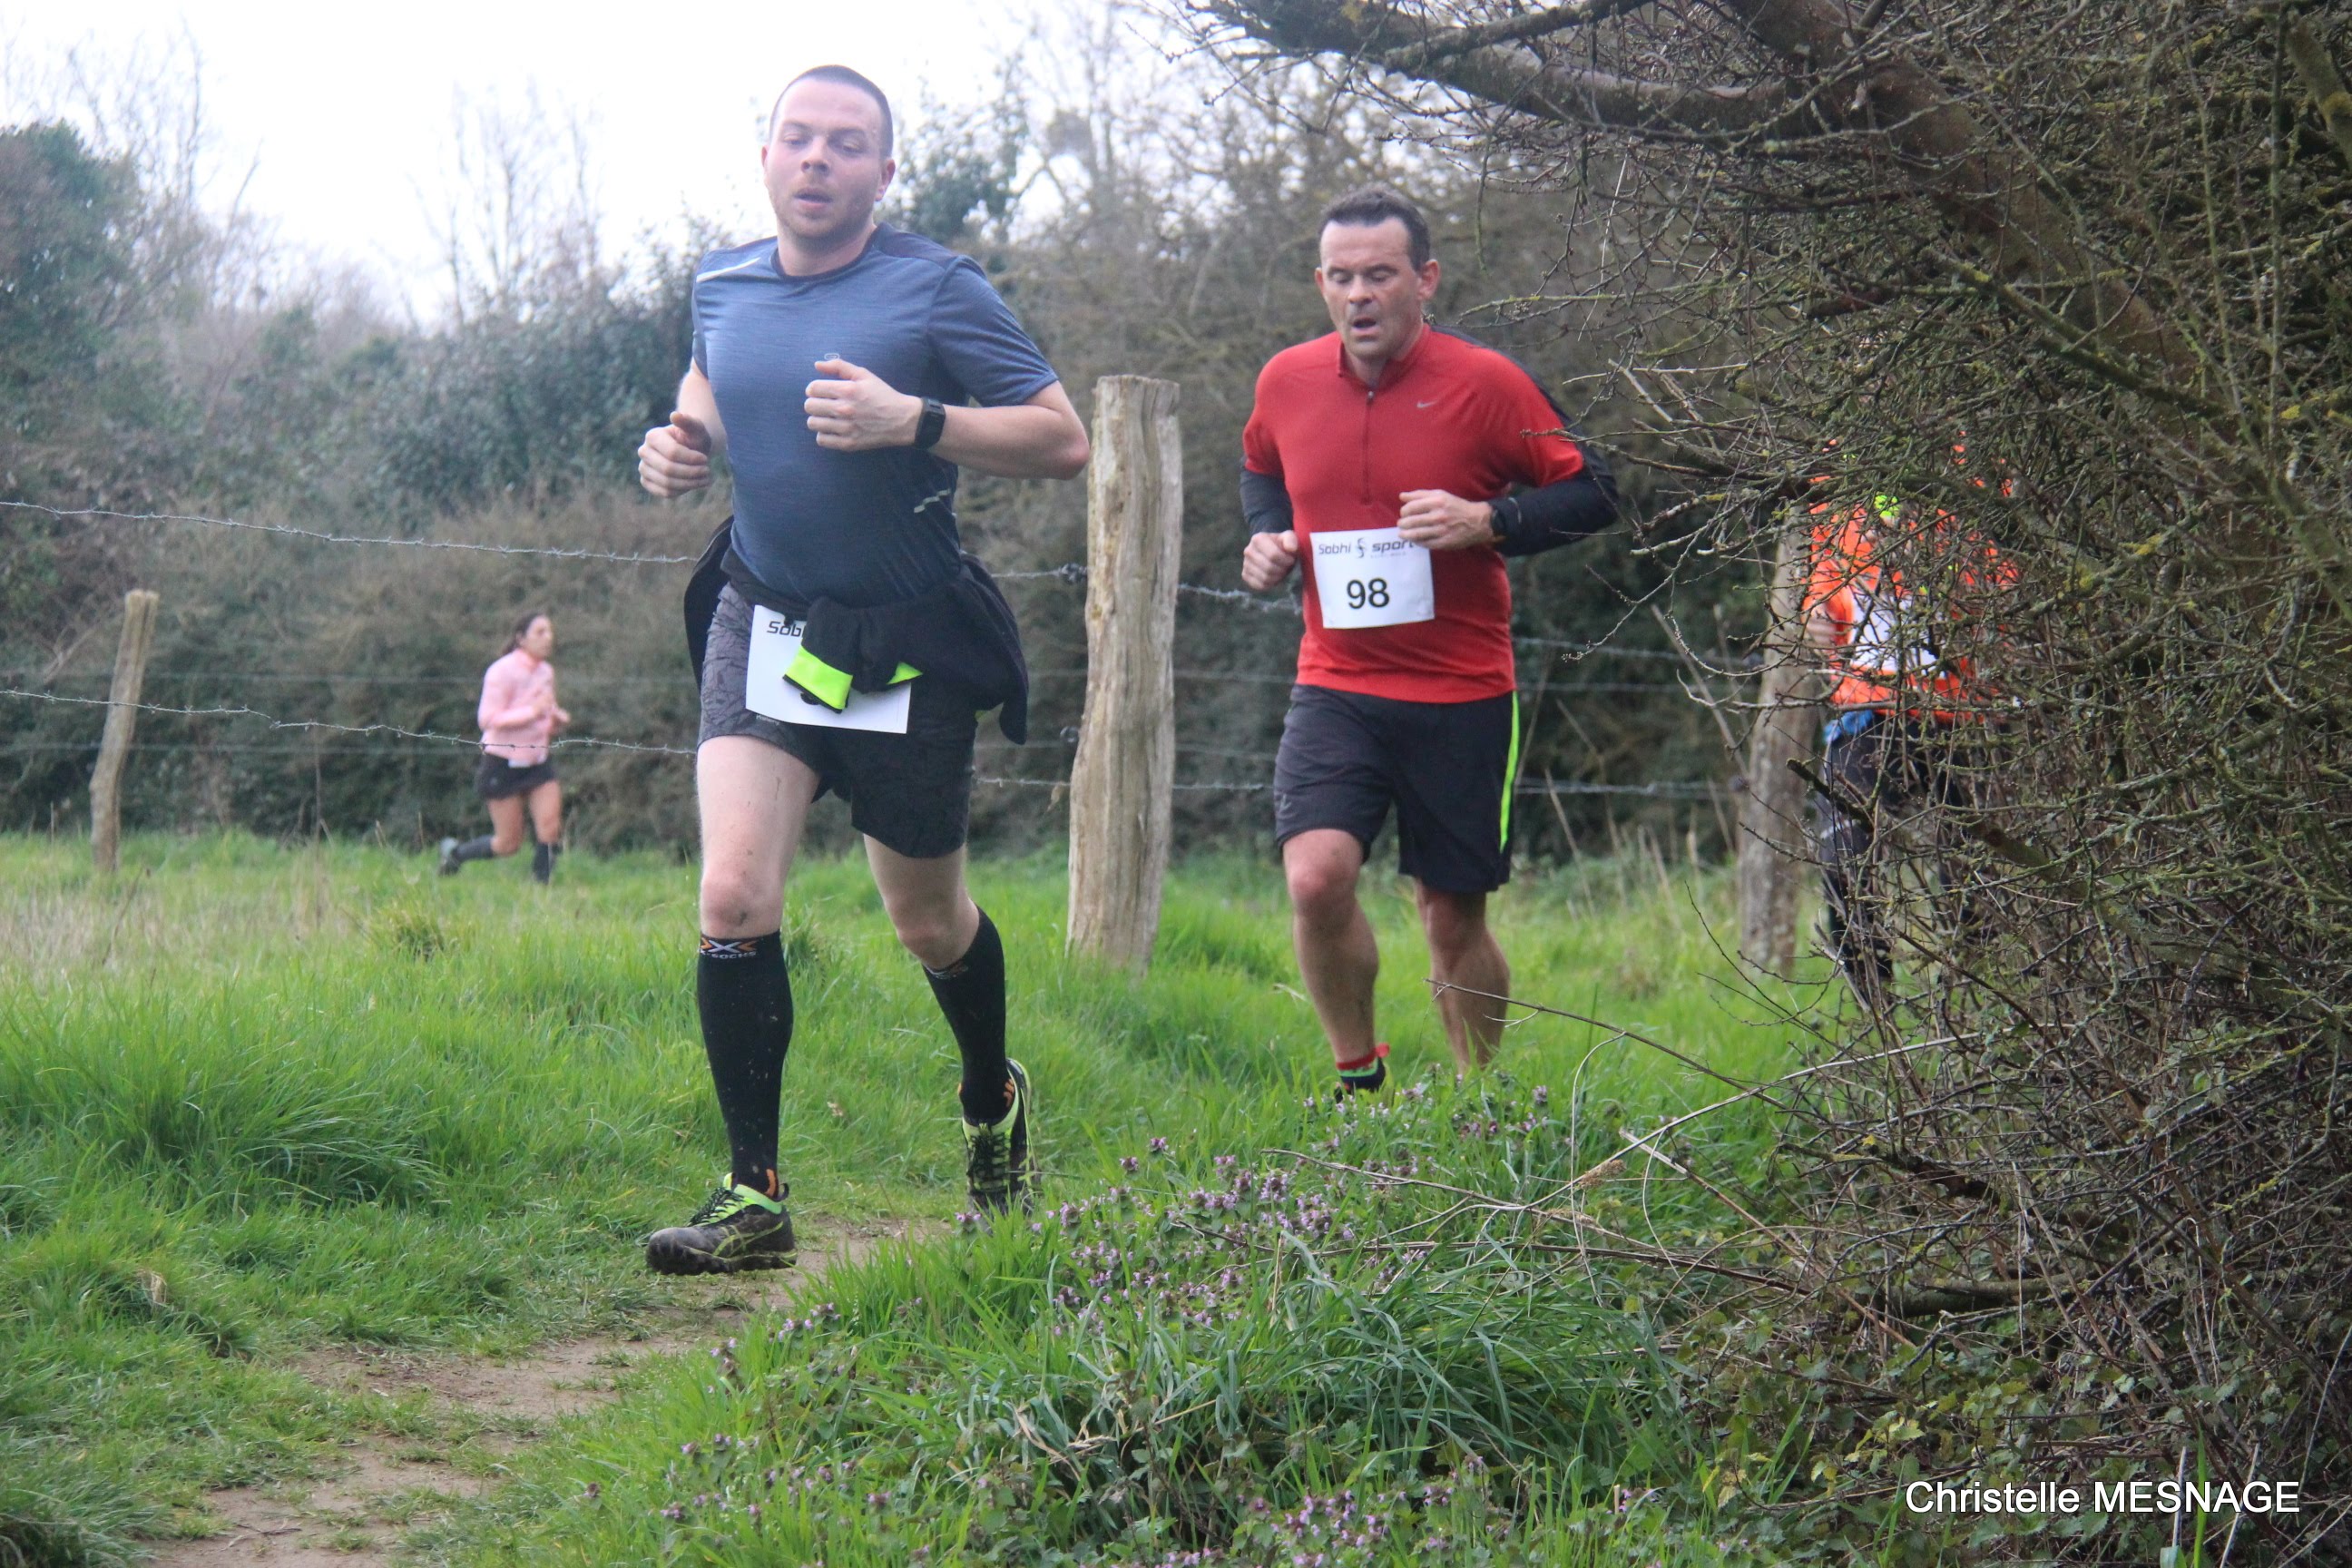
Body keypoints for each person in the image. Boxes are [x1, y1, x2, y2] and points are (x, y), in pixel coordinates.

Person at [632, 64, 1089, 1275]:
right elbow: (711, 372)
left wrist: (916, 420)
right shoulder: (722, 282)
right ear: (766, 157)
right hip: (766, 617)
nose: (817, 159)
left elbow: (1062, 438)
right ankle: (755, 1194)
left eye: (846, 144)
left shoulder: (935, 287)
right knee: (733, 896)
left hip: (903, 642)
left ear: (885, 173)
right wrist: (684, 438)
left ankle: (991, 1100)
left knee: (927, 921)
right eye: (798, 137)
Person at [1238, 186, 1619, 1093]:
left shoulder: (1486, 384)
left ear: (1426, 279)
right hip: (1337, 683)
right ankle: (1358, 1080)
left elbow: (1596, 491)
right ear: (1320, 285)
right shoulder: (1286, 380)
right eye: (1341, 277)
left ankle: (1476, 1101)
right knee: (1315, 879)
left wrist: (1490, 519)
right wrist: (1267, 537)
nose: (1359, 295)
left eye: (1380, 274)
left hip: (1462, 691)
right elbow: (1260, 467)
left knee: (1451, 917)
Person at [1803, 482, 2009, 1006]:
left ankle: (1979, 1008)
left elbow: (2009, 585)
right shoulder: (1840, 476)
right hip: (1867, 711)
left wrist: (1928, 557)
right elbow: (1825, 581)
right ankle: (1875, 1015)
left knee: (1973, 868)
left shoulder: (1974, 466)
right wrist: (1819, 616)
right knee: (1843, 856)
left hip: (1963, 713)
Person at [441, 611, 569, 884]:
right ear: (521, 639)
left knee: (550, 827)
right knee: (509, 844)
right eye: (540, 632)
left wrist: (555, 721)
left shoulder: (546, 672)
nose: (549, 638)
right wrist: (532, 712)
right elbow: (487, 719)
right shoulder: (501, 671)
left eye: (550, 632)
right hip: (502, 762)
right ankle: (455, 855)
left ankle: (542, 889)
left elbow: (544, 717)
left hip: (538, 761)